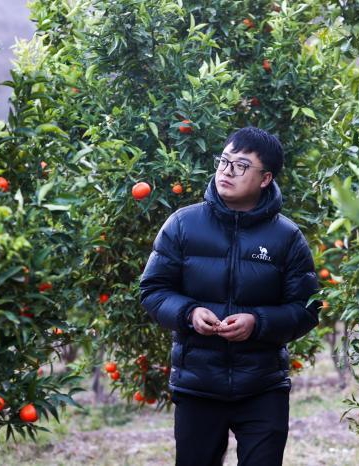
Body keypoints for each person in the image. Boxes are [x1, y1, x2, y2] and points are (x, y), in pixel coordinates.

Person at [139, 126, 321, 466]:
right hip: (198, 384)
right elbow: (153, 289)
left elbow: (307, 309)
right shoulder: (183, 225)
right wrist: (189, 313)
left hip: (263, 386)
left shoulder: (287, 237)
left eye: (240, 166)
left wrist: (258, 322)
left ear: (265, 178)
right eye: (224, 161)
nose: (226, 171)